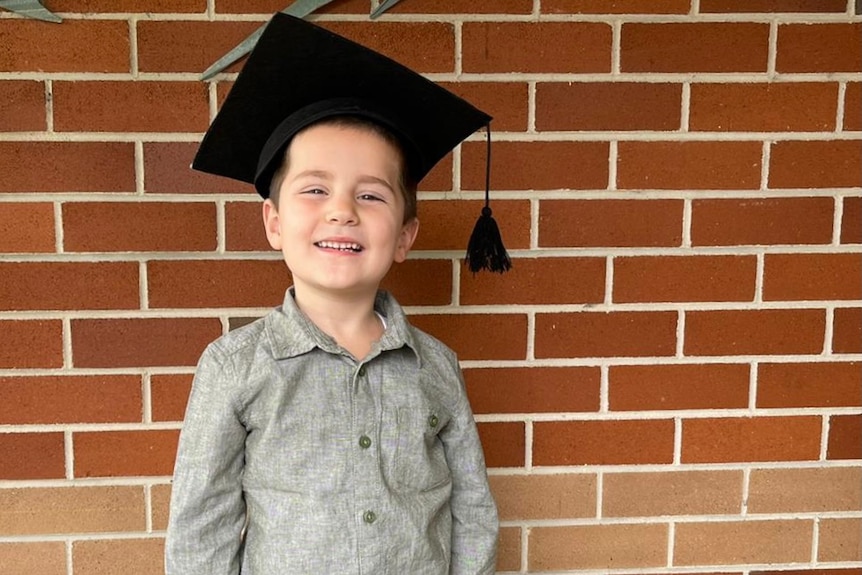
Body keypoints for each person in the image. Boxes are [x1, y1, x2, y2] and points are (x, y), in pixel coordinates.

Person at [165, 12, 508, 575]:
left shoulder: (437, 368)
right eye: (316, 189)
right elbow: (202, 524)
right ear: (274, 223)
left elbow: (471, 510)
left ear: (403, 237)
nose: (342, 211)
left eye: (371, 196)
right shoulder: (235, 367)